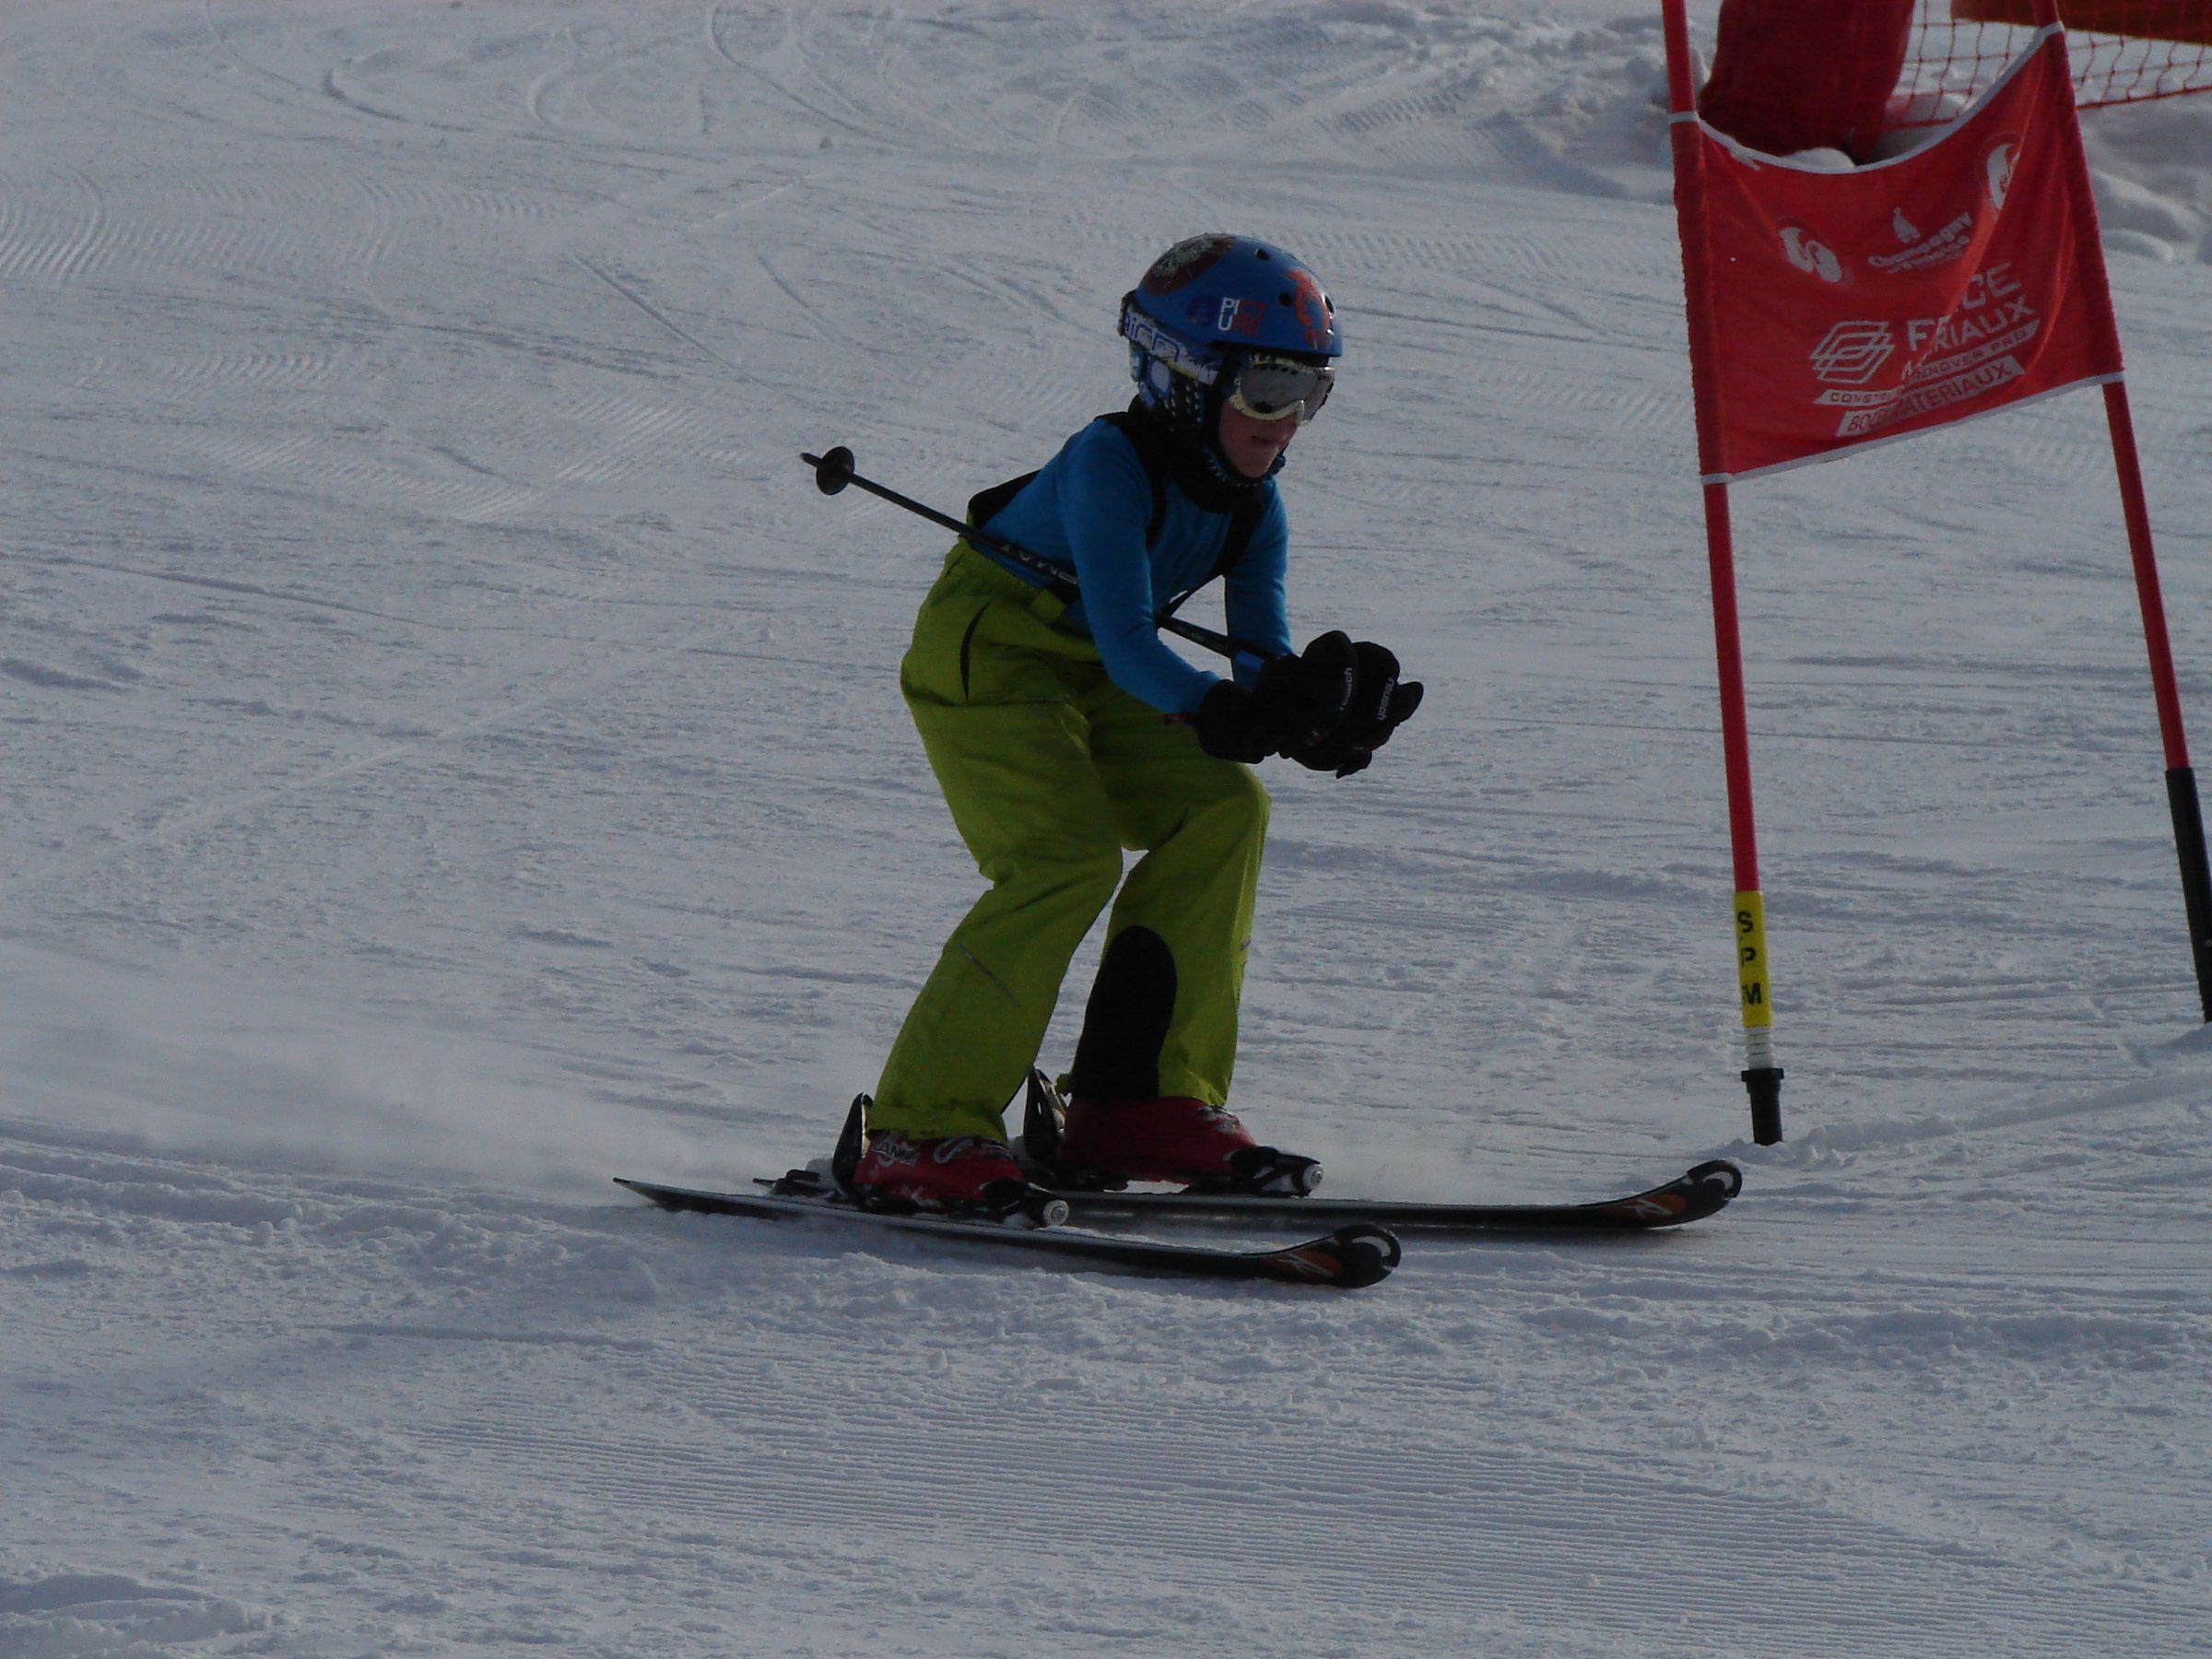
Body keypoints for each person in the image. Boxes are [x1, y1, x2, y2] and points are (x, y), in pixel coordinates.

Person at [851, 233, 1422, 1214]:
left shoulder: (1253, 507)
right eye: (1268, 389)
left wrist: (1306, 713)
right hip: (993, 654)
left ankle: (1139, 1102)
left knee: (1224, 809)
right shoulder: (1108, 463)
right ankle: (920, 1125)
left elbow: (1257, 653)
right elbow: (1127, 640)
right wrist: (1218, 707)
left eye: (1310, 393)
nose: (1287, 421)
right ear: (1183, 378)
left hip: (1097, 674)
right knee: (1064, 859)